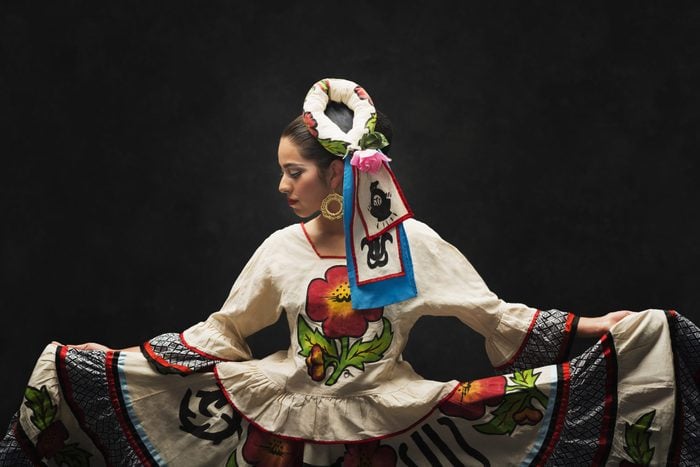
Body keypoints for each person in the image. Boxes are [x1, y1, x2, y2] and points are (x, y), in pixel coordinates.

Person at [1, 78, 698, 466]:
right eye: (281, 171)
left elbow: (496, 317)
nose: (281, 186)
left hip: (385, 429)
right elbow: (222, 333)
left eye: (292, 171)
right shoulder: (279, 251)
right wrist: (119, 361)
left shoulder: (410, 242)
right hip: (283, 425)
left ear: (338, 172)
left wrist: (596, 327)